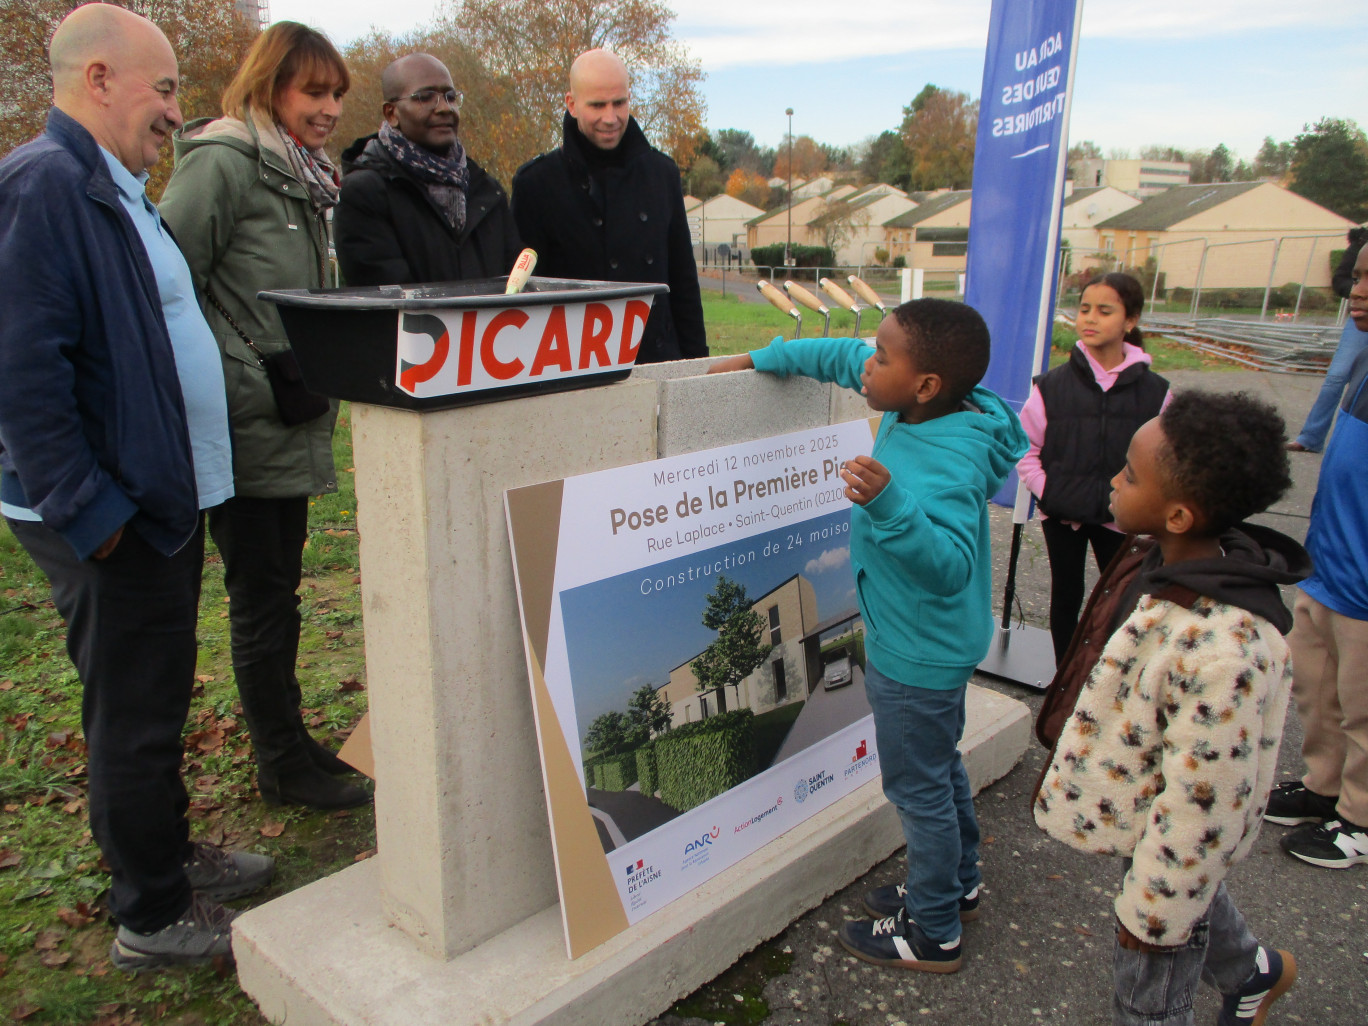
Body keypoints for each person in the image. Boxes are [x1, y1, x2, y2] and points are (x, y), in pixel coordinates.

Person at [0, 3, 273, 970]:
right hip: (110, 512)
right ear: (98, 79)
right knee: (132, 711)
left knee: (154, 697)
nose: (174, 110)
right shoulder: (45, 185)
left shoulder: (112, 187)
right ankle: (152, 915)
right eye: (162, 88)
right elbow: (21, 370)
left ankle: (169, 855)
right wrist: (93, 513)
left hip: (154, 500)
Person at [709, 300, 1029, 972]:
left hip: (916, 655)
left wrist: (890, 505)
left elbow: (950, 567)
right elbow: (837, 355)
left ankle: (934, 930)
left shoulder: (949, 461)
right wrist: (761, 359)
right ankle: (958, 884)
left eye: (881, 358)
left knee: (918, 789)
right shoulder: (926, 402)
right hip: (930, 645)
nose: (866, 364)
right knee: (939, 769)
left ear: (925, 385)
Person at [1034, 391, 1308, 1026]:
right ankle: (1250, 971)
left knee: (1148, 996)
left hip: (1174, 852)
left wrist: (1155, 917)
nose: (1113, 480)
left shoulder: (1222, 654)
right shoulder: (1163, 554)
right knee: (1170, 871)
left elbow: (1204, 804)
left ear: (1179, 515)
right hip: (1153, 808)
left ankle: (1202, 951)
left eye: (1130, 475)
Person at [159, 22, 368, 811]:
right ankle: (279, 763)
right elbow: (166, 281)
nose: (330, 108)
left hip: (289, 410)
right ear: (270, 84)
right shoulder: (224, 162)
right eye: (314, 91)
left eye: (337, 94)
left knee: (281, 592)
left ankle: (288, 738)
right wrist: (232, 367)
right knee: (260, 596)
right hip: (242, 414)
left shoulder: (301, 176)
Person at [1265, 242, 1368, 870]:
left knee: (1364, 706)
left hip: (1364, 589)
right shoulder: (1364, 362)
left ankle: (1360, 818)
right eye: (1357, 276)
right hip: (1330, 567)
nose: (1358, 290)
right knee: (1318, 691)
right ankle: (1324, 786)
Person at [510, 48, 706, 363]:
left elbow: (684, 283)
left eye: (619, 103)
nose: (611, 118)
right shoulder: (536, 184)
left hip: (656, 361)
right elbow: (521, 297)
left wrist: (697, 367)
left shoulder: (662, 174)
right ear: (571, 104)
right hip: (573, 368)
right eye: (598, 105)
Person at [1018, 271, 1169, 663]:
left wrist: (1143, 502)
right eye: (1084, 309)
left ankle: (1114, 675)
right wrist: (1048, 491)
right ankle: (1065, 677)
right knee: (1066, 595)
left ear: (1130, 320)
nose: (1090, 318)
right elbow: (1025, 449)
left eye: (1104, 311)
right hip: (1062, 513)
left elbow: (1166, 458)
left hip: (1124, 517)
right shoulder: (1051, 386)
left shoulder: (1157, 393)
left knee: (1125, 598)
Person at [334, 52, 520, 286]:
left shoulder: (486, 190)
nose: (445, 108)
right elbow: (386, 296)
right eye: (425, 97)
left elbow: (515, 284)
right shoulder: (364, 194)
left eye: (450, 97)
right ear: (391, 113)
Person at [1287, 226, 1368, 453]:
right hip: (1361, 320)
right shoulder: (1362, 242)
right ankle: (1311, 438)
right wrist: (1356, 288)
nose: (1357, 290)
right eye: (1357, 279)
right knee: (1336, 377)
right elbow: (1341, 280)